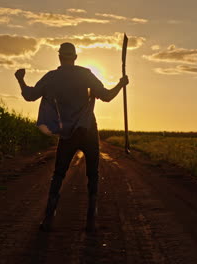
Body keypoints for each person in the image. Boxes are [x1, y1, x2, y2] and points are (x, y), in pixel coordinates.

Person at [14, 42, 129, 232]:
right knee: (93, 175)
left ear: (59, 57)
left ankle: (49, 218)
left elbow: (30, 95)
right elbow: (107, 96)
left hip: (67, 133)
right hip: (88, 131)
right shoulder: (85, 74)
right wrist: (120, 84)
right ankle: (91, 219)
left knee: (59, 175)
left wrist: (20, 79)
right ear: (75, 58)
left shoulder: (52, 77)